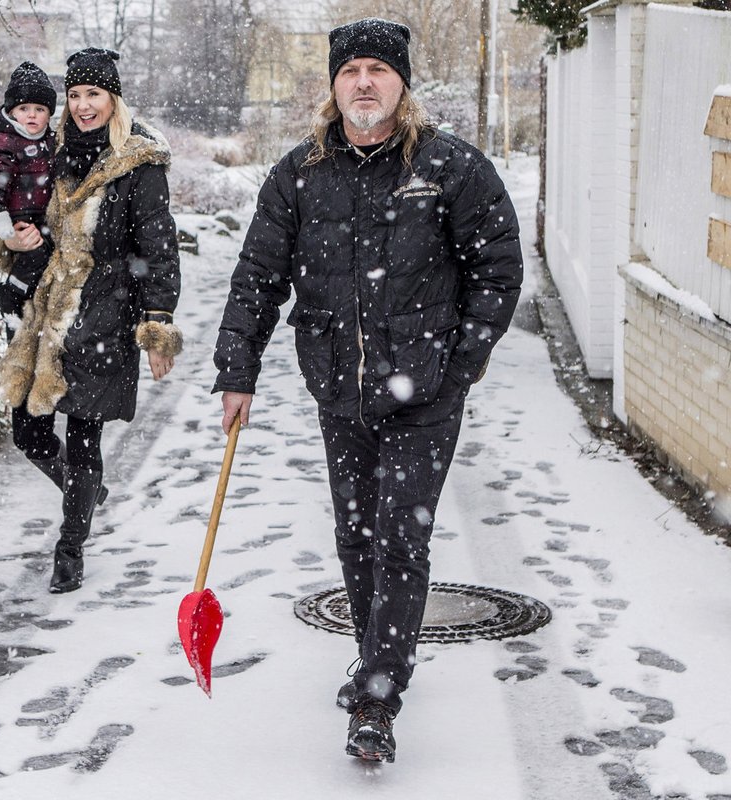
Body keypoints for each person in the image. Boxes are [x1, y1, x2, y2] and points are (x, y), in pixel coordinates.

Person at [212, 18, 523, 763]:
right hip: (338, 390)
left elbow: (499, 268)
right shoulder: (300, 174)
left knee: (400, 535)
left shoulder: (449, 167)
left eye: (377, 71)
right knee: (355, 533)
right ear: (333, 86)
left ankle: (379, 695)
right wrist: (237, 371)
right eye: (349, 71)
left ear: (401, 83)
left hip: (426, 394)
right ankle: (374, 654)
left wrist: (462, 362)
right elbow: (258, 276)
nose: (362, 83)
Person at [0, 47, 182, 594]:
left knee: (83, 433)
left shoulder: (138, 161)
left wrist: (158, 323)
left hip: (106, 309)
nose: (81, 106)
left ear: (113, 98)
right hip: (43, 307)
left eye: (93, 94)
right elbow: (10, 195)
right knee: (28, 431)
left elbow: (158, 244)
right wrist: (14, 237)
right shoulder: (46, 151)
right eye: (74, 95)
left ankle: (70, 546)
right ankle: (86, 490)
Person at [0, 61, 58, 337]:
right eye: (24, 108)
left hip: (43, 215)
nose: (32, 115)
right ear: (12, 111)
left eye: (40, 109)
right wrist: (6, 232)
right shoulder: (5, 142)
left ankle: (25, 302)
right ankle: (11, 295)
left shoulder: (50, 141)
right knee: (35, 253)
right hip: (19, 220)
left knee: (48, 255)